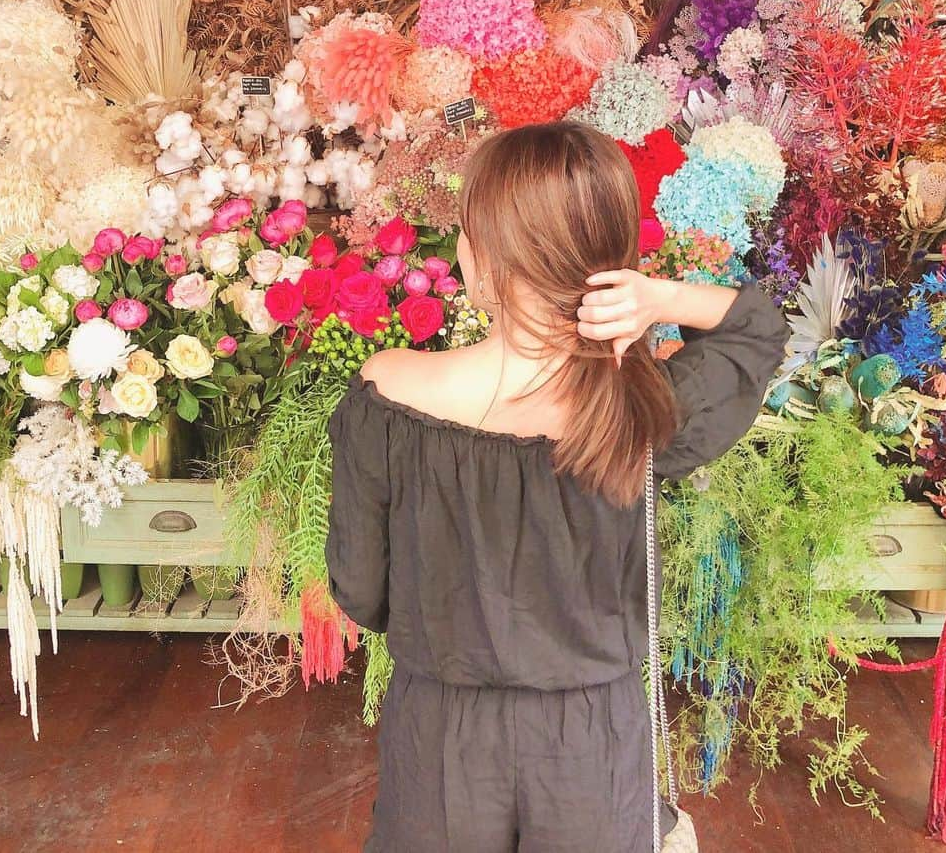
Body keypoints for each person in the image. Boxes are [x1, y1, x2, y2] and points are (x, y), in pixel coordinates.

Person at [326, 121, 788, 852]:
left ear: (476, 263)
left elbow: (361, 592)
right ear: (611, 266)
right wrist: (657, 298)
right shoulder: (638, 406)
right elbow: (757, 330)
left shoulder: (389, 393)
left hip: (441, 738)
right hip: (593, 742)